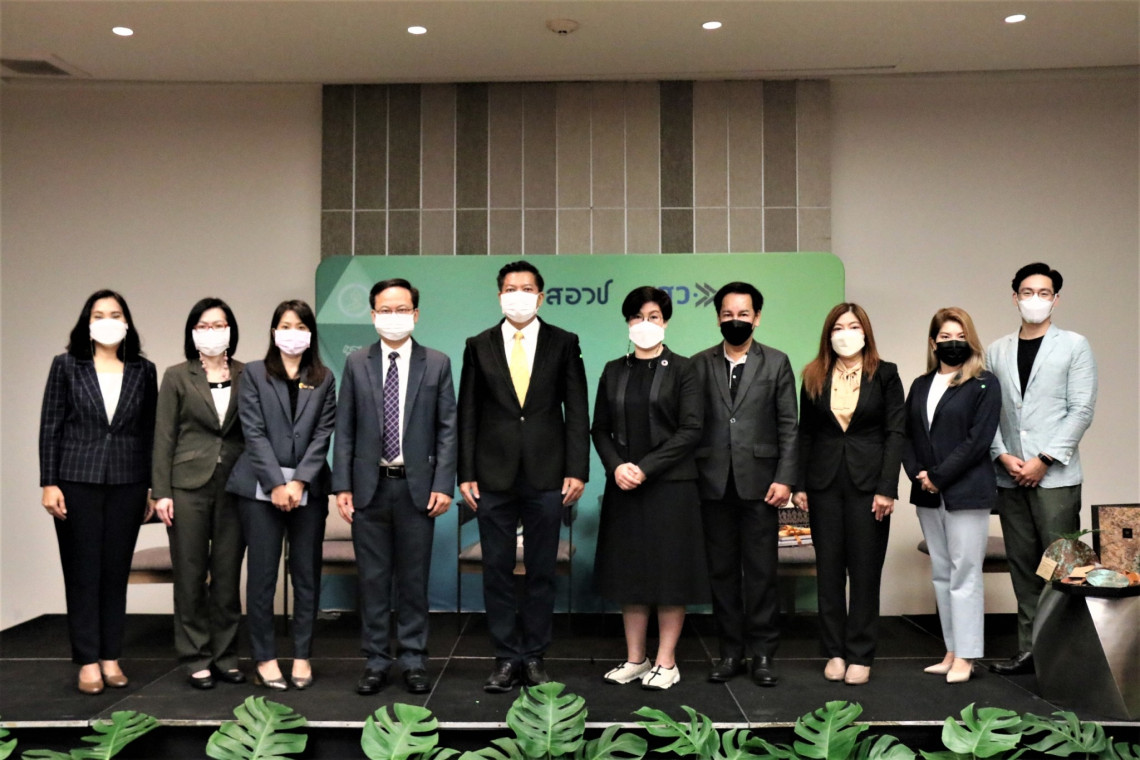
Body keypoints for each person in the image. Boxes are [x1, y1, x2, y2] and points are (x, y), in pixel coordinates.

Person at [458, 260, 590, 693]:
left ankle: (533, 656)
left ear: (541, 296)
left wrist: (577, 469)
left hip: (547, 474)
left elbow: (577, 409)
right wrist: (465, 472)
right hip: (491, 475)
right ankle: (504, 658)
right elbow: (467, 412)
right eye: (511, 289)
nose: (519, 295)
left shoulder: (564, 342)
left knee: (541, 570)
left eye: (527, 288)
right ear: (500, 296)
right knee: (496, 569)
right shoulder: (478, 345)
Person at [334, 278, 458, 696]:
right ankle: (375, 661)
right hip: (368, 489)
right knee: (372, 580)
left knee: (413, 580)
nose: (393, 317)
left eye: (402, 309)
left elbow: (447, 429)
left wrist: (443, 483)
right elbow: (345, 428)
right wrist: (342, 485)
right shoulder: (357, 363)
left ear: (416, 314)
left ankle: (413, 660)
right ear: (373, 315)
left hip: (416, 489)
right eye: (385, 310)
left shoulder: (436, 363)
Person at [39, 289, 158, 695]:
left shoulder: (143, 370)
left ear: (127, 322)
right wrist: (49, 482)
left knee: (115, 572)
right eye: (99, 314)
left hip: (128, 482)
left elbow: (149, 432)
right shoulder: (66, 365)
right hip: (76, 481)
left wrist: (151, 487)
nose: (108, 320)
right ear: (87, 323)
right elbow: (50, 426)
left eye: (115, 314)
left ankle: (111, 656)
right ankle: (88, 661)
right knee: (82, 572)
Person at [592, 287, 708, 691]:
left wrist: (645, 468)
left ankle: (666, 661)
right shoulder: (613, 370)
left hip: (672, 487)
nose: (646, 324)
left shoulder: (684, 369)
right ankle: (636, 658)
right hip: (625, 486)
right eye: (638, 316)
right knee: (631, 574)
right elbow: (599, 429)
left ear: (666, 321)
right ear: (628, 322)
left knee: (670, 573)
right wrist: (617, 467)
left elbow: (691, 429)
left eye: (654, 316)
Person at [986, 263, 1097, 676]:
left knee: (1063, 567)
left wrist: (1044, 459)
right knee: (1023, 565)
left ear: (1056, 299)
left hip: (1055, 477)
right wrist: (1002, 455)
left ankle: (1066, 656)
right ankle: (1029, 650)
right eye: (1028, 292)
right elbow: (989, 412)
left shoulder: (1074, 345)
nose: (1035, 299)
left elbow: (1081, 409)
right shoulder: (996, 350)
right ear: (1015, 297)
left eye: (1044, 293)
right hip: (1010, 474)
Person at [226, 300, 336, 691]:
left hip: (309, 490)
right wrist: (275, 483)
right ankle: (265, 658)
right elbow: (252, 431)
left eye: (301, 326)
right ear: (274, 332)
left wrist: (299, 482)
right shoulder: (254, 373)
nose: (293, 332)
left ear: (311, 334)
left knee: (306, 575)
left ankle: (302, 656)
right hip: (259, 490)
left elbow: (323, 434)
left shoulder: (324, 377)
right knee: (262, 577)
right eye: (286, 325)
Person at [792, 303, 904, 686]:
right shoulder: (813, 374)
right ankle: (835, 652)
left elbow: (895, 432)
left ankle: (860, 653)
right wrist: (799, 485)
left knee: (865, 571)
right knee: (829, 571)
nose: (846, 333)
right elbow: (805, 433)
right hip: (823, 484)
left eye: (853, 326)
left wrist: (887, 487)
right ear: (829, 334)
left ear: (865, 332)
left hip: (870, 487)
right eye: (838, 327)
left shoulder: (885, 374)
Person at [693, 282, 798, 688]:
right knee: (721, 574)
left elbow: (789, 425)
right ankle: (730, 653)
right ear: (717, 317)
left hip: (762, 484)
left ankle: (763, 654)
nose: (734, 320)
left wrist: (785, 477)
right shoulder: (699, 364)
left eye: (743, 314)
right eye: (727, 314)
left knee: (760, 573)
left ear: (757, 318)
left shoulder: (776, 362)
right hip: (712, 484)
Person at [902, 307, 1001, 685]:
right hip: (927, 494)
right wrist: (919, 475)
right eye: (945, 337)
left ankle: (968, 654)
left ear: (970, 340)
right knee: (942, 573)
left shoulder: (984, 383)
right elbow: (907, 435)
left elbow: (978, 440)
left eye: (960, 336)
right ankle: (951, 649)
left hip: (966, 492)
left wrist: (938, 477)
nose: (953, 343)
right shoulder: (921, 384)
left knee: (965, 573)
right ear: (933, 342)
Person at [151, 298, 246, 690]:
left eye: (219, 324)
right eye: (204, 326)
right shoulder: (177, 376)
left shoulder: (247, 374)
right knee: (190, 574)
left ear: (231, 330)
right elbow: (163, 436)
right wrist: (161, 492)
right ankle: (195, 657)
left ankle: (226, 656)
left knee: (227, 574)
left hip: (236, 484)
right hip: (186, 485)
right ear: (192, 332)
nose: (212, 332)